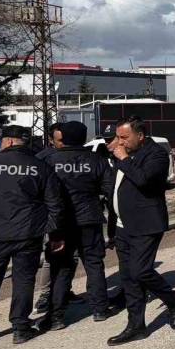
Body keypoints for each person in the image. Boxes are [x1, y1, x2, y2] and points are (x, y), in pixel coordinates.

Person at [106, 116, 175, 346]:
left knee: (140, 271)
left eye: (124, 137)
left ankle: (174, 300)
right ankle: (136, 326)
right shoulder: (123, 154)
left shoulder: (156, 155)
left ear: (140, 135)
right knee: (128, 277)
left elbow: (144, 181)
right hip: (122, 225)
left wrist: (123, 158)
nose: (120, 142)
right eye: (118, 138)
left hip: (146, 224)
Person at [0, 125, 64, 345]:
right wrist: (55, 233)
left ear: (9, 141)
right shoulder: (40, 166)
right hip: (29, 233)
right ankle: (20, 328)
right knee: (23, 281)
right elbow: (55, 204)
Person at [40, 121, 115, 329]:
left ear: (62, 137)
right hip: (89, 218)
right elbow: (110, 190)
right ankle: (100, 309)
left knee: (61, 267)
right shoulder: (97, 160)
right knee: (94, 264)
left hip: (60, 223)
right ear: (84, 138)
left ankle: (56, 316)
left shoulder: (48, 160)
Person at [33, 122, 65, 315]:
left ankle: (64, 291)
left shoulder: (72, 154)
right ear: (52, 140)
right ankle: (45, 295)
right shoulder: (42, 159)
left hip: (68, 214)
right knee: (50, 256)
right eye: (60, 140)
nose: (63, 143)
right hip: (49, 216)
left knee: (69, 257)